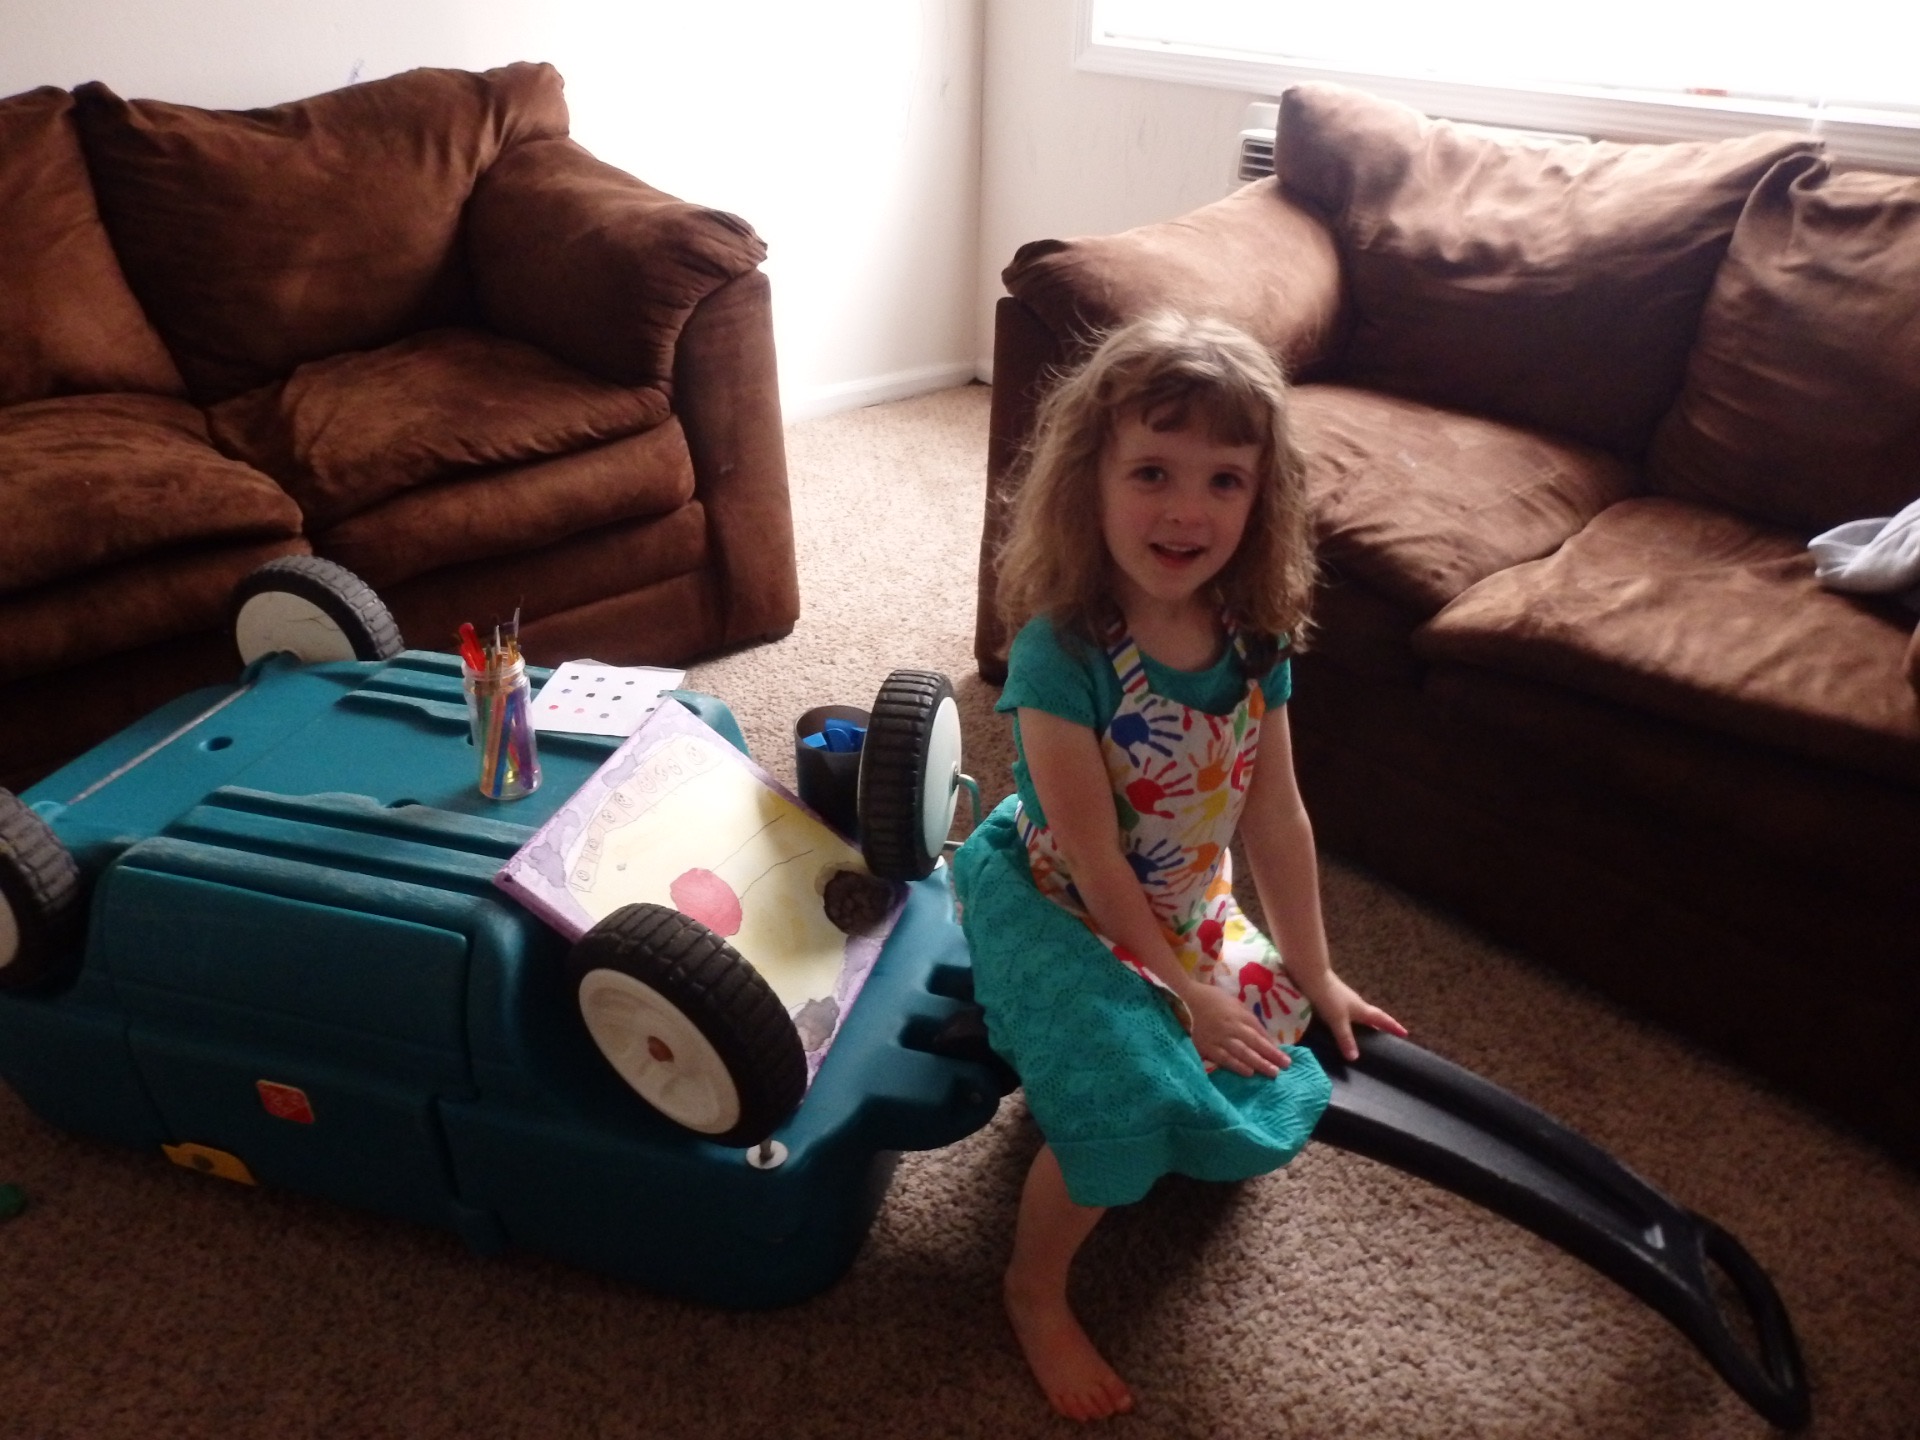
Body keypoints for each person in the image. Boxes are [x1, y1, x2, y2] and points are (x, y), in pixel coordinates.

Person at [952, 312, 1406, 1422]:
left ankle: (1179, 1038)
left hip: (1184, 906)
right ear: (1089, 482)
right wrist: (1186, 994)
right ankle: (1033, 1290)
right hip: (1059, 906)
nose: (1185, 510)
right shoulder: (1066, 651)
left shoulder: (1255, 640)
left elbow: (1277, 819)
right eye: (1151, 471)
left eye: (1224, 480)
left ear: (1262, 502)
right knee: (1115, 1107)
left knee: (1278, 1037)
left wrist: (1318, 965)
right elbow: (1098, 863)